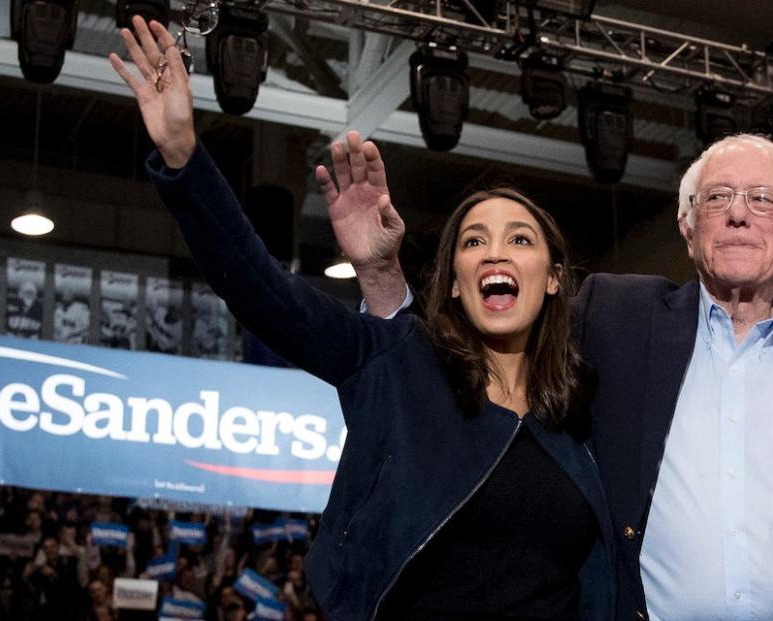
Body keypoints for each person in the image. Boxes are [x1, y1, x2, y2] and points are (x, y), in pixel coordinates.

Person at [351, 133, 773, 618]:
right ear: (688, 228)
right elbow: (479, 338)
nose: (738, 215)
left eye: (764, 201)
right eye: (717, 198)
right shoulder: (612, 316)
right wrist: (382, 278)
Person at [109, 16, 614, 621]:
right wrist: (184, 158)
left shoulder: (583, 417)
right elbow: (263, 292)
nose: (497, 252)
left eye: (521, 240)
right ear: (453, 283)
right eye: (474, 242)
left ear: (554, 277)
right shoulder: (400, 369)